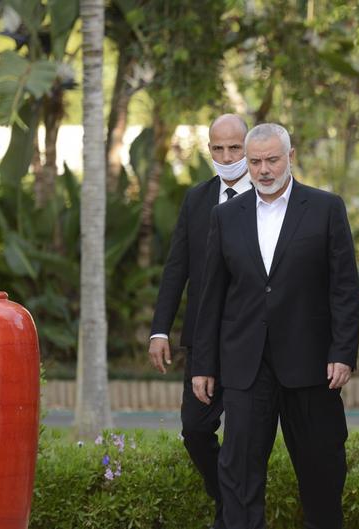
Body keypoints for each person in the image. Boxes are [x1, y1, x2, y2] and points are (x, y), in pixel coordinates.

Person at [190, 123, 359, 529]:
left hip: (312, 366)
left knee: (322, 471)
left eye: (272, 159)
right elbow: (210, 296)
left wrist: (342, 353)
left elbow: (344, 288)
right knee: (239, 477)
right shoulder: (225, 215)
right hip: (246, 368)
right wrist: (203, 364)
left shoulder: (326, 207)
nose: (263, 169)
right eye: (255, 161)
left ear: (290, 156)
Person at [147, 113, 252, 529]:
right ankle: (226, 499)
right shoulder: (196, 199)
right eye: (219, 148)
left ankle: (233, 516)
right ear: (210, 150)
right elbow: (176, 269)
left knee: (245, 439)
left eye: (235, 148)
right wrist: (160, 330)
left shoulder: (265, 198)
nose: (227, 157)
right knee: (195, 430)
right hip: (202, 341)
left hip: (250, 341)